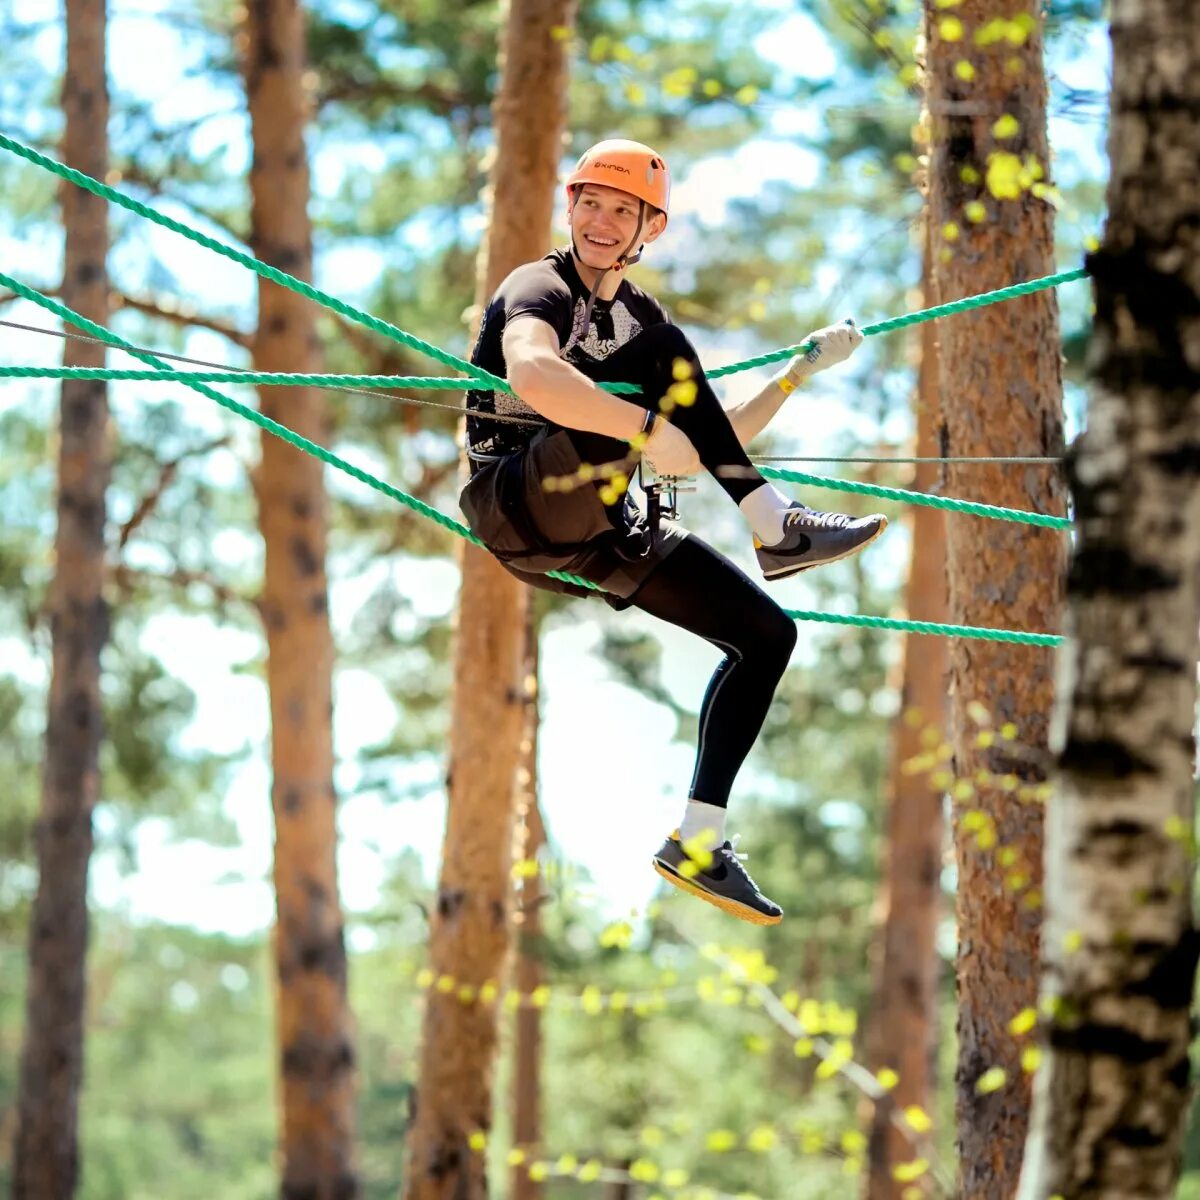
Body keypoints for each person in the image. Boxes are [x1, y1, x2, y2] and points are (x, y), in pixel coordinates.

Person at [461, 139, 886, 926]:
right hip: (521, 500)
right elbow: (532, 372)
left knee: (767, 634)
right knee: (657, 355)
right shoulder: (540, 286)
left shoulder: (640, 315)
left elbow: (709, 438)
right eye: (591, 201)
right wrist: (646, 424)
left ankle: (699, 840)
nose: (601, 219)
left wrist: (794, 374)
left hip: (592, 531)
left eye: (622, 209)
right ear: (572, 207)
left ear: (646, 227)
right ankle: (774, 525)